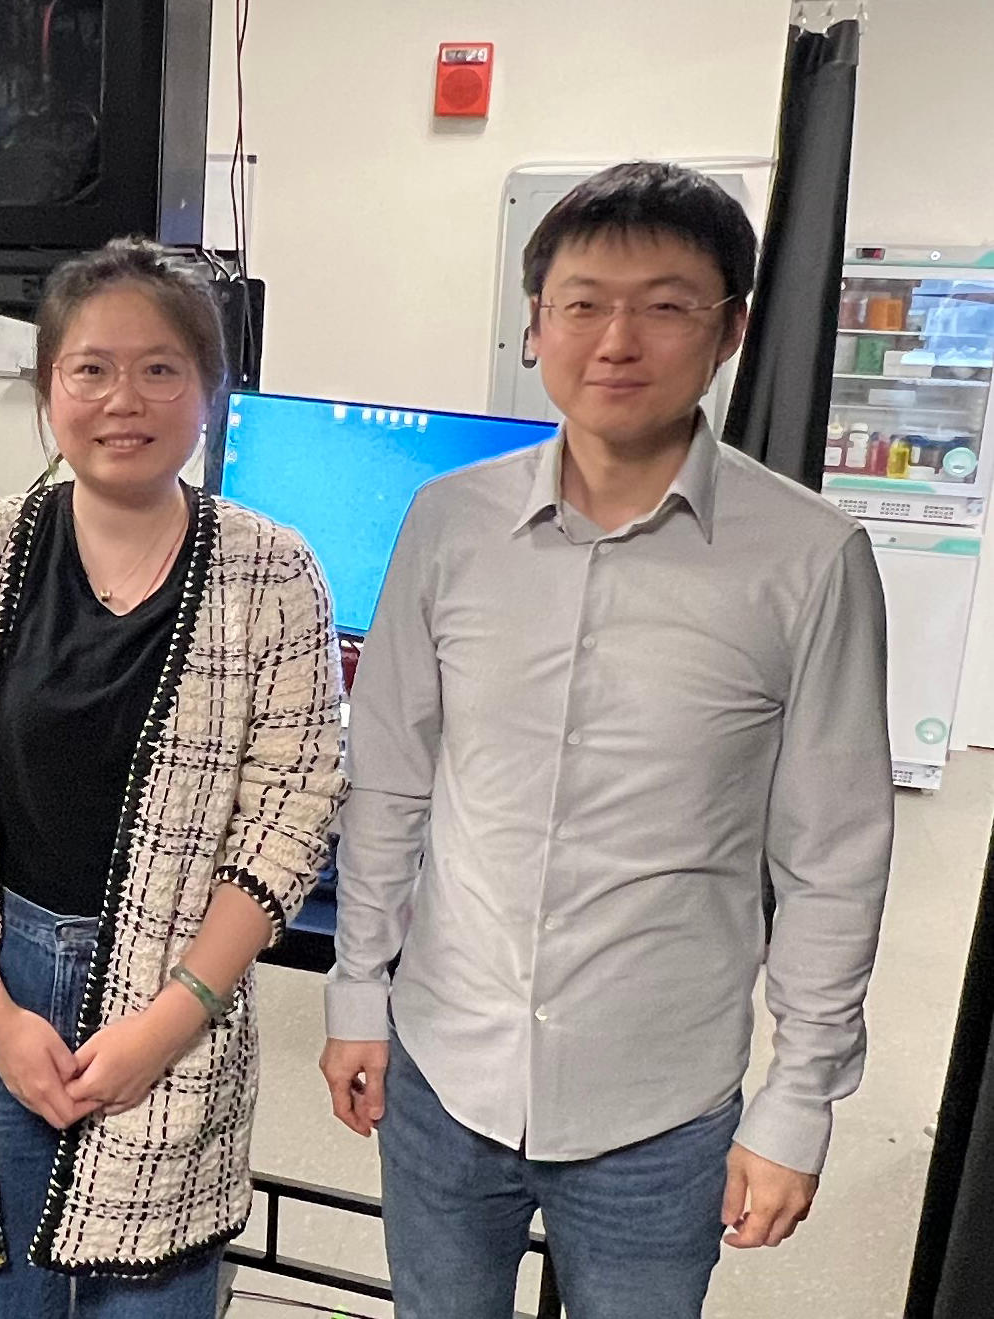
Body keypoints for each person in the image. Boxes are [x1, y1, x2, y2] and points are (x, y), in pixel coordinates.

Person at [323, 161, 897, 1318]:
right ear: (537, 325)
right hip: (444, 1066)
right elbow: (390, 779)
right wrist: (356, 992)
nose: (618, 340)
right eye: (583, 303)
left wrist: (800, 1097)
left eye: (666, 304)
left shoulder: (809, 559)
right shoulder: (450, 524)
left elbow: (834, 855)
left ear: (731, 329)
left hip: (659, 1101)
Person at [0, 237, 348, 1318]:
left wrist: (171, 1019)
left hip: (176, 994)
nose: (122, 399)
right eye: (90, 368)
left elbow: (291, 817)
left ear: (211, 390)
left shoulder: (274, 573)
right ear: (49, 386)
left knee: (151, 1289)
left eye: (160, 369)